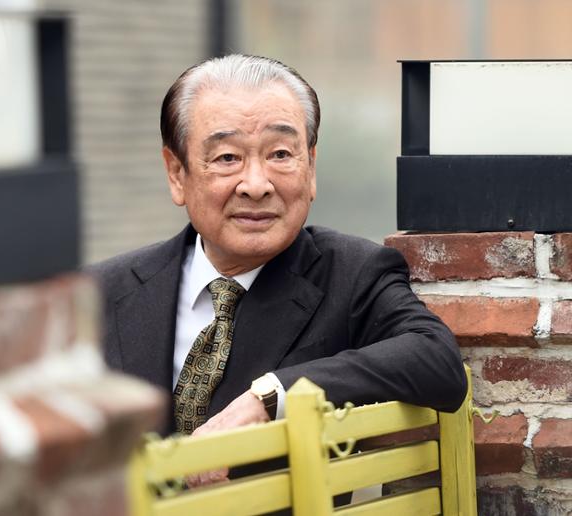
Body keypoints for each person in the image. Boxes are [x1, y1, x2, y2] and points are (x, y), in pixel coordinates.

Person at [89, 54, 466, 484]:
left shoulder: (352, 274)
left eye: (281, 154)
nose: (256, 185)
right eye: (227, 157)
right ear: (177, 174)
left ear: (311, 168)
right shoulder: (101, 291)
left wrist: (269, 398)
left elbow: (436, 360)